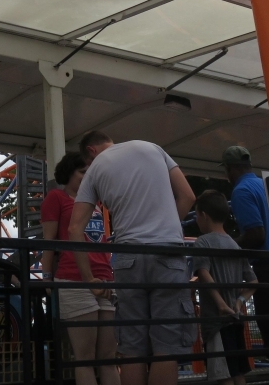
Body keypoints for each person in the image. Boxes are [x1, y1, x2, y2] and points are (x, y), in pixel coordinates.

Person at [70, 131, 196, 385]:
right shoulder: (153, 147)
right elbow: (188, 196)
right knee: (165, 347)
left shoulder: (95, 170)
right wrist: (169, 228)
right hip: (167, 253)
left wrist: (89, 279)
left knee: (132, 347)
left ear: (91, 151)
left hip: (129, 258)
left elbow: (74, 229)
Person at [41, 152, 120, 385]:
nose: (88, 176)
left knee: (108, 357)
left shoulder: (95, 203)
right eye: (83, 172)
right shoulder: (56, 198)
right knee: (84, 358)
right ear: (69, 173)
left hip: (104, 277)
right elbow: (49, 242)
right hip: (74, 278)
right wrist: (47, 279)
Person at [221, 146, 269, 383]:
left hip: (267, 269)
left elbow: (256, 234)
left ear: (230, 170)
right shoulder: (268, 186)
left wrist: (228, 244)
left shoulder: (241, 191)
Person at [190, 190, 256, 385]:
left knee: (222, 374)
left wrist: (220, 304)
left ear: (203, 215)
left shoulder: (202, 242)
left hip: (217, 320)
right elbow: (253, 282)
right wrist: (238, 302)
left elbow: (203, 272)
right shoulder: (234, 245)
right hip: (235, 317)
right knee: (237, 371)